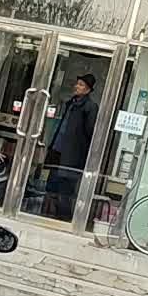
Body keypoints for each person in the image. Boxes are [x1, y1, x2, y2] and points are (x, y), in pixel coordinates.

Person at [42, 72, 99, 220]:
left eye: (81, 85)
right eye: (77, 84)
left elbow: (90, 131)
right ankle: (47, 215)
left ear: (88, 89)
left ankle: (63, 218)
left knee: (65, 190)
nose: (77, 87)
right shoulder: (70, 103)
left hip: (72, 154)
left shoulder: (90, 107)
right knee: (51, 186)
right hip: (58, 149)